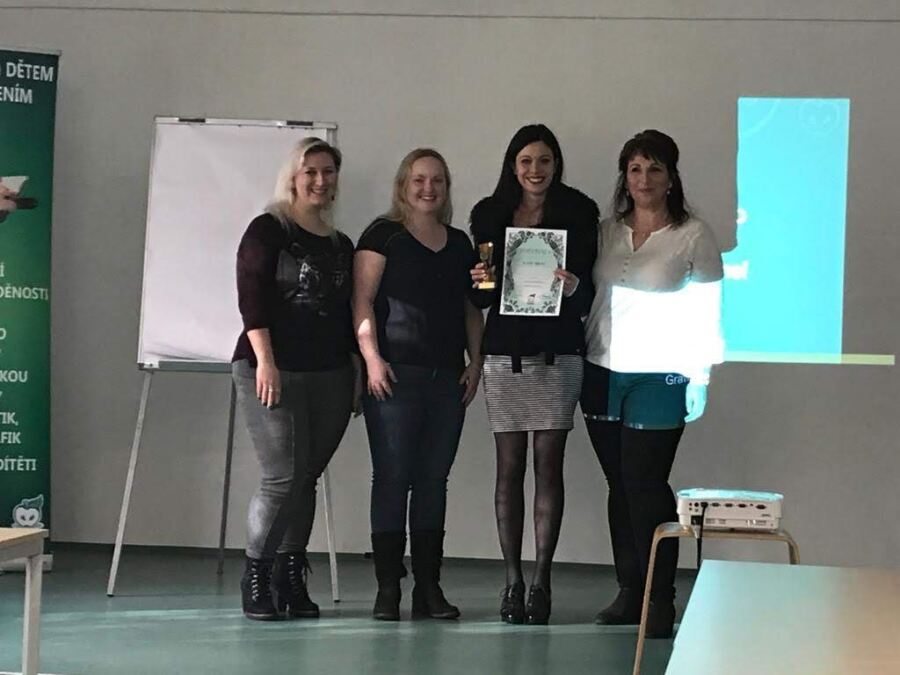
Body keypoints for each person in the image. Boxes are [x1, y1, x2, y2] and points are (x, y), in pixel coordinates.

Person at [582, 130, 723, 638]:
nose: (644, 179)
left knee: (645, 484)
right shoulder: (605, 232)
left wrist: (700, 376)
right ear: (625, 177)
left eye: (655, 169)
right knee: (618, 485)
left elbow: (708, 311)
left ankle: (659, 598)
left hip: (661, 375)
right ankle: (630, 591)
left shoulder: (693, 234)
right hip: (601, 370)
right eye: (635, 169)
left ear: (671, 177)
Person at [469, 124, 599, 624]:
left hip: (558, 353)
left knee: (549, 466)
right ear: (512, 165)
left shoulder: (580, 212)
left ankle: (541, 581)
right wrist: (481, 280)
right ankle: (512, 581)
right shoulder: (488, 213)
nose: (535, 170)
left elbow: (589, 292)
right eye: (525, 161)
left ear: (556, 164)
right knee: (508, 468)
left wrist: (573, 287)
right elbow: (481, 295)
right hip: (505, 354)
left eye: (544, 160)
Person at [231, 137, 361, 621]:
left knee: (305, 478)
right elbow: (251, 299)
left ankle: (289, 576)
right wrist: (266, 361)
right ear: (293, 176)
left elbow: (347, 314)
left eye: (328, 171)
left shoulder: (341, 244)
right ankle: (256, 575)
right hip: (271, 368)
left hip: (330, 373)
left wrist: (355, 369)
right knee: (282, 478)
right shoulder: (268, 229)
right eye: (311, 171)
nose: (320, 180)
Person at [353, 148, 484, 621]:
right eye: (419, 180)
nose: (429, 189)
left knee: (433, 483)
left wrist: (476, 362)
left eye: (437, 181)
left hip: (446, 380)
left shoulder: (461, 243)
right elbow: (361, 301)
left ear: (446, 188)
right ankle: (388, 589)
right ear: (403, 185)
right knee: (392, 480)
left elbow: (472, 308)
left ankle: (429, 588)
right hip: (394, 379)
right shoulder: (382, 235)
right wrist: (372, 360)